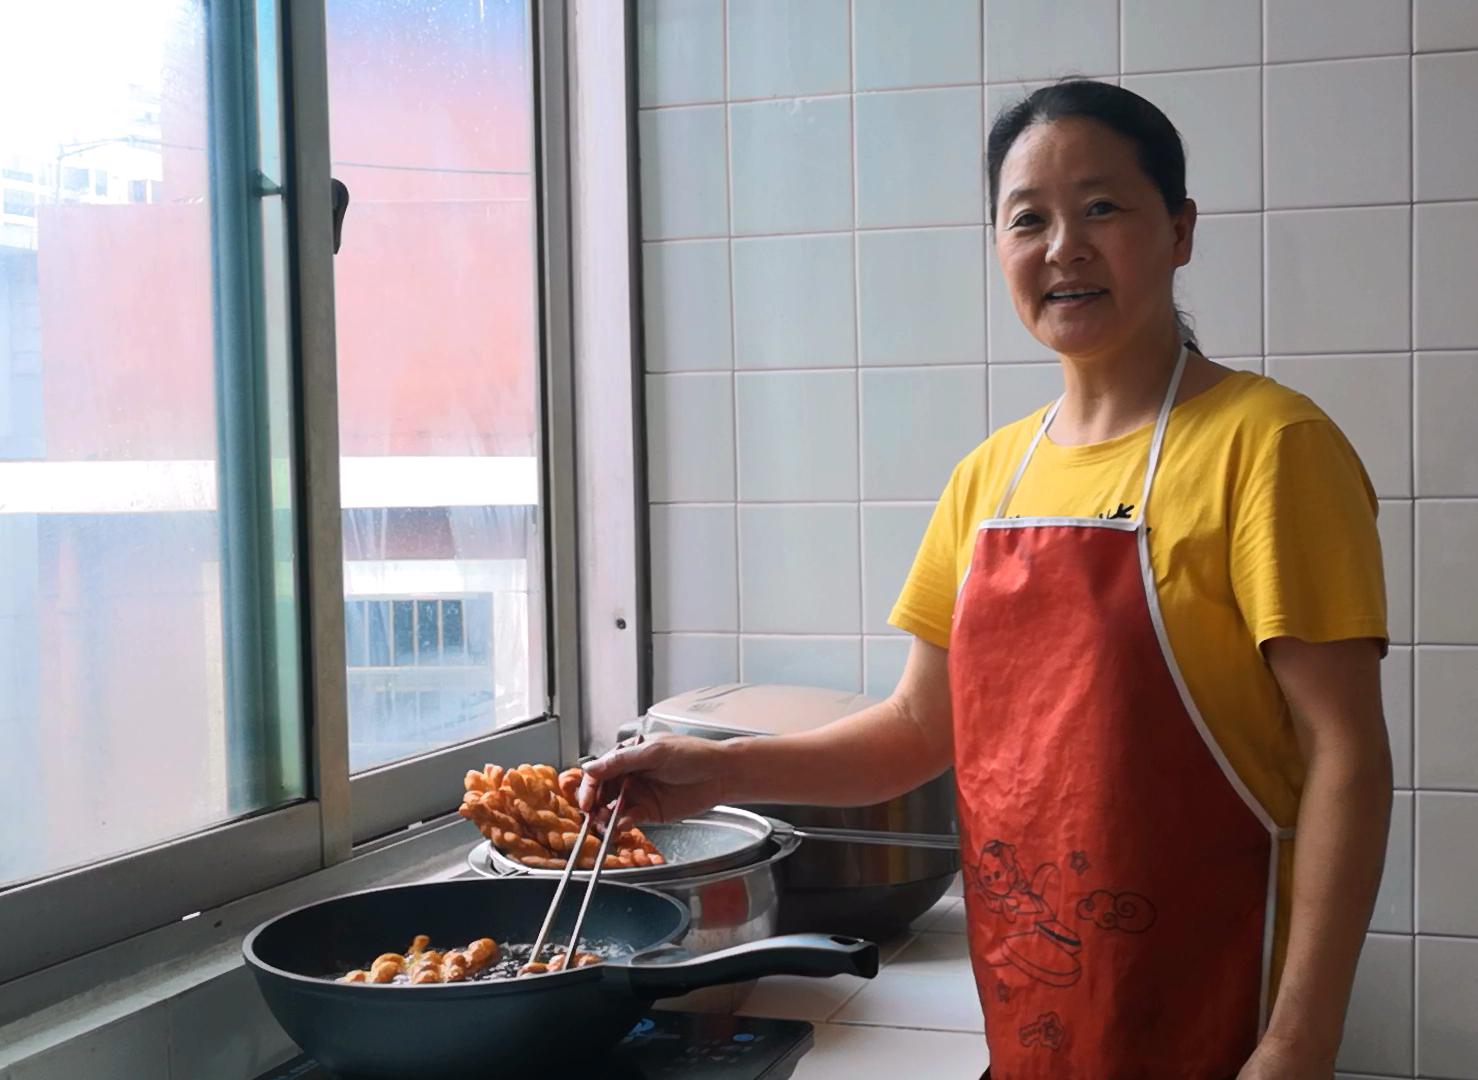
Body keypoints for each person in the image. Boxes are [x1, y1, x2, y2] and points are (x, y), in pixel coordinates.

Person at [582, 80, 1392, 1080]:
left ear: (1179, 231)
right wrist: (715, 772)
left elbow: (1346, 756)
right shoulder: (988, 480)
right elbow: (917, 734)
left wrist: (1300, 1041)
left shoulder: (1270, 448)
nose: (1064, 247)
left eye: (1102, 207)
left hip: (1217, 1020)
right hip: (1033, 1012)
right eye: (1029, 219)